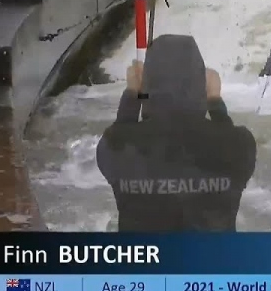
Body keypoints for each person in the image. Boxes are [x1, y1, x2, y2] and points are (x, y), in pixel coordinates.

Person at [97, 34, 257, 231]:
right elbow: (228, 137)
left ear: (149, 85)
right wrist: (214, 99)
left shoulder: (116, 147)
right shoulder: (240, 146)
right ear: (201, 85)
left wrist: (133, 93)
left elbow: (117, 137)